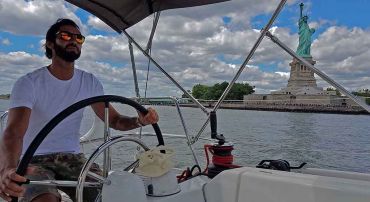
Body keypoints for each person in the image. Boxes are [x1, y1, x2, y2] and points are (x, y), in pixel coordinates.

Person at [0, 18, 159, 202]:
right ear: (50, 44)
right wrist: (8, 169)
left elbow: (115, 121)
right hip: (34, 159)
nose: (73, 40)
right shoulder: (29, 83)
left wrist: (139, 121)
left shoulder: (89, 82)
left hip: (72, 158)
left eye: (79, 38)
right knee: (45, 200)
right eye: (66, 35)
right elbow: (13, 132)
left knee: (107, 195)